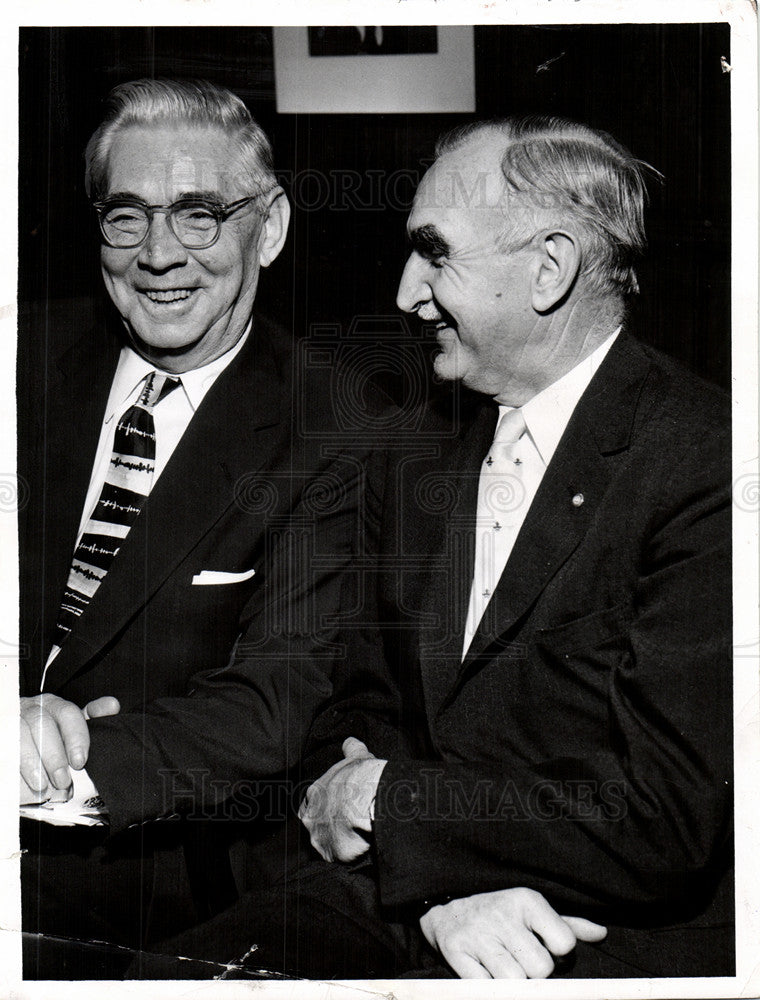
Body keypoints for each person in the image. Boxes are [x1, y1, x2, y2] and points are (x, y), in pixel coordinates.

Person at [138, 115, 733, 980]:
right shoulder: (418, 448)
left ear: (549, 268)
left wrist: (393, 802)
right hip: (410, 897)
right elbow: (349, 709)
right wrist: (437, 892)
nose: (405, 291)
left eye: (435, 253)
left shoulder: (706, 464)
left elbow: (663, 818)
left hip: (600, 931)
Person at [17, 77, 377, 977]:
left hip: (143, 893)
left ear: (273, 225)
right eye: (126, 216)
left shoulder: (337, 428)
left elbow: (271, 705)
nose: (158, 255)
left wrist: (55, 756)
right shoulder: (18, 353)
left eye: (200, 214)